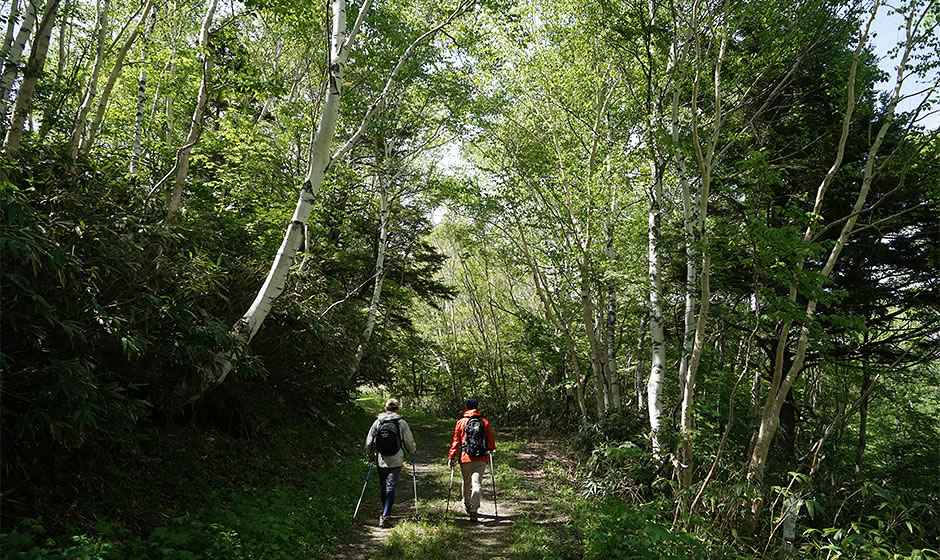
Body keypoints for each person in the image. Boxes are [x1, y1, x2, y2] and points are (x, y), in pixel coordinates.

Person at [364, 398, 417, 528]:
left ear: (385, 409)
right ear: (397, 409)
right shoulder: (401, 423)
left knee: (383, 486)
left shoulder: (377, 422)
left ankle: (385, 510)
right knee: (390, 486)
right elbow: (409, 442)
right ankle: (386, 515)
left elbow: (369, 442)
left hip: (381, 459)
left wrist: (370, 455)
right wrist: (412, 451)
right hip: (396, 459)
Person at [448, 398, 496, 522]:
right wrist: (490, 449)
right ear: (477, 407)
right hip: (481, 457)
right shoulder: (484, 422)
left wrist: (452, 456)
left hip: (465, 457)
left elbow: (455, 441)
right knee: (477, 483)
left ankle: (467, 504)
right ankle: (474, 509)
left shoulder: (461, 422)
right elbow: (490, 440)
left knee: (466, 482)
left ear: (467, 407)